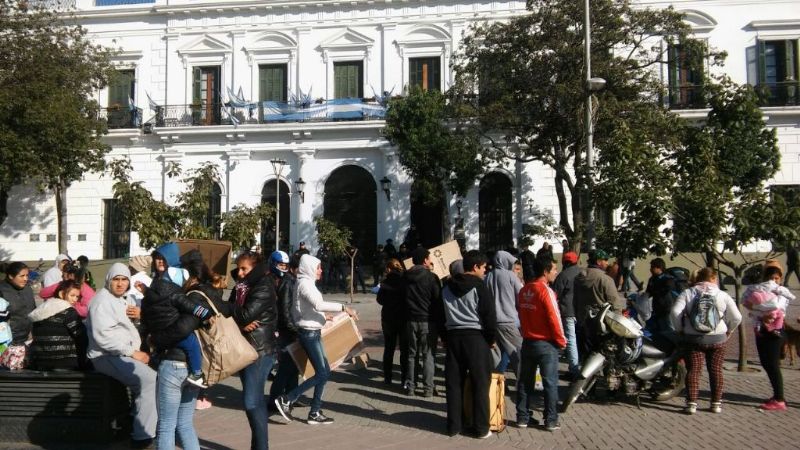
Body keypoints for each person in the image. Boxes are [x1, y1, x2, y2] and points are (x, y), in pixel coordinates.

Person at [144, 249, 228, 450]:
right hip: (192, 368)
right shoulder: (195, 294)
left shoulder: (180, 296)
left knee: (166, 426)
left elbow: (181, 328)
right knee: (184, 423)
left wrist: (155, 339)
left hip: (173, 363)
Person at [274, 254, 359, 425]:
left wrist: (322, 316)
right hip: (309, 333)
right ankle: (287, 399)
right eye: (318, 267)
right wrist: (344, 307)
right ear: (309, 268)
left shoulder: (306, 283)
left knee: (324, 372)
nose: (321, 270)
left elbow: (307, 307)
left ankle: (315, 412)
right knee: (322, 373)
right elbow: (318, 304)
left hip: (313, 331)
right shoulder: (305, 283)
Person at [85, 263, 157, 448]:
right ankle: (142, 437)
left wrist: (138, 318)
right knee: (149, 380)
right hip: (105, 356)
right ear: (109, 280)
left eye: (124, 279)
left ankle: (133, 422)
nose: (120, 284)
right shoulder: (102, 301)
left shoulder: (120, 299)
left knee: (152, 375)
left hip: (120, 354)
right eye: (116, 279)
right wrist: (134, 353)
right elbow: (104, 338)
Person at [437, 250, 496, 438]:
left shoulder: (445, 287)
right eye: (484, 267)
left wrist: (444, 338)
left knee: (454, 384)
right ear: (475, 267)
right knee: (480, 384)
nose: (485, 271)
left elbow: (439, 316)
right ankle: (481, 428)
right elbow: (489, 317)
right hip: (475, 338)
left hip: (453, 337)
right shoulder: (479, 287)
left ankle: (454, 426)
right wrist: (491, 339)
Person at [226, 251, 279, 449]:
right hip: (243, 347)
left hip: (260, 350)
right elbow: (233, 313)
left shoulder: (264, 286)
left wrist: (230, 311)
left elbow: (245, 313)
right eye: (238, 268)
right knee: (253, 401)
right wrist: (238, 322)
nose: (239, 273)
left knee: (251, 402)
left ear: (255, 269)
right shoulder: (242, 286)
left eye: (244, 269)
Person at [670, 267, 741, 414]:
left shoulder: (688, 293)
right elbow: (737, 317)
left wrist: (680, 329)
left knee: (693, 371)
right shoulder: (722, 295)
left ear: (698, 278)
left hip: (694, 339)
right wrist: (729, 330)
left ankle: (691, 404)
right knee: (716, 371)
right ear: (714, 278)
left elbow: (675, 312)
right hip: (718, 338)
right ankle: (716, 404)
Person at [516, 256, 566, 431]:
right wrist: (561, 340)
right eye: (554, 269)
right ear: (545, 271)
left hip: (528, 342)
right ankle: (551, 419)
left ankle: (522, 417)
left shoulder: (524, 290)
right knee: (550, 383)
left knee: (524, 381)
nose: (556, 272)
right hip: (545, 343)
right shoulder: (546, 291)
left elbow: (520, 314)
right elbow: (555, 318)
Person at [743, 262, 795, 411]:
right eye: (772, 277)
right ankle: (777, 395)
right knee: (767, 364)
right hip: (762, 331)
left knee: (772, 365)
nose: (774, 281)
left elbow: (777, 308)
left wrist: (759, 311)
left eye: (777, 278)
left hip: (775, 331)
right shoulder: (757, 289)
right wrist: (756, 310)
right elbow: (745, 302)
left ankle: (779, 399)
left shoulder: (781, 292)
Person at [402, 247, 442, 397]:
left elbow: (402, 298)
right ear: (425, 260)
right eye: (429, 258)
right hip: (428, 320)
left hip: (410, 320)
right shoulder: (432, 278)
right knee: (428, 355)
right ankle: (428, 389)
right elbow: (437, 301)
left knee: (412, 355)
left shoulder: (405, 276)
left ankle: (411, 387)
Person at [27, 280, 88, 371]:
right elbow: (81, 336)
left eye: (77, 297)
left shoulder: (40, 312)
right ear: (61, 294)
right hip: (64, 362)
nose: (75, 300)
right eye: (72, 295)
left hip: (40, 362)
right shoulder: (68, 312)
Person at [573, 249, 624, 357]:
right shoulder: (605, 279)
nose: (607, 263)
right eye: (605, 260)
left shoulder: (579, 277)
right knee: (602, 353)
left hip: (583, 321)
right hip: (600, 324)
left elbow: (575, 300)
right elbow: (615, 303)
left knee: (586, 353)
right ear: (598, 261)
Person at [269, 253, 302, 408]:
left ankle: (291, 395)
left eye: (285, 266)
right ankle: (274, 400)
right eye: (280, 265)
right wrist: (293, 329)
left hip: (286, 328)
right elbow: (285, 310)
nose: (283, 268)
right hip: (285, 330)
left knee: (293, 366)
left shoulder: (286, 280)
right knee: (285, 367)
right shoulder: (286, 282)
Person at [484, 250, 523, 380]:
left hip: (493, 322)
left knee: (496, 356)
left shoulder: (488, 276)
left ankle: (495, 383)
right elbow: (521, 295)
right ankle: (523, 384)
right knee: (518, 354)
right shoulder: (511, 276)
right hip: (509, 321)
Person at [376, 258, 408, 386]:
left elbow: (380, 299)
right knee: (404, 349)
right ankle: (404, 378)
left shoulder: (386, 281)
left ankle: (387, 377)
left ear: (389, 268)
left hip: (388, 318)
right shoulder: (405, 280)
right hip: (403, 317)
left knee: (389, 348)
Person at [0, 262, 36, 370]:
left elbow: (33, 310)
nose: (25, 279)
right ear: (11, 276)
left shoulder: (28, 289)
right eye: (22, 276)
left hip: (25, 339)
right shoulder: (1, 290)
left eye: (27, 275)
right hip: (6, 342)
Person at [552, 251, 581, 378]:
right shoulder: (582, 273)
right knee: (578, 339)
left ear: (565, 262)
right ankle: (578, 366)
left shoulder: (563, 276)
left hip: (568, 311)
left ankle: (574, 369)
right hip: (581, 311)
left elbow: (554, 294)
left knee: (571, 340)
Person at [645, 258, 678, 349]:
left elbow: (666, 290)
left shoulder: (668, 279)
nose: (650, 269)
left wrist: (655, 291)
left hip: (667, 309)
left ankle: (674, 350)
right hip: (656, 309)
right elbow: (648, 293)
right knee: (659, 331)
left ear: (659, 268)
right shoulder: (652, 279)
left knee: (669, 331)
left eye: (653, 267)